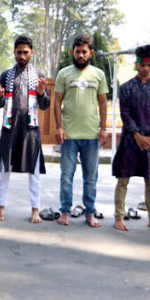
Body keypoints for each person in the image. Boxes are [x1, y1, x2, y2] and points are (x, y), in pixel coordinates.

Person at [0, 35, 49, 223]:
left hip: (31, 130)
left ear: (31, 52)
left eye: (25, 52)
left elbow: (45, 104)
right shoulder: (6, 75)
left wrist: (41, 94)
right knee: (4, 170)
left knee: (34, 172)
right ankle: (1, 208)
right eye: (19, 52)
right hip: (10, 129)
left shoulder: (39, 75)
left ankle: (35, 210)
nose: (22, 56)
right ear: (14, 52)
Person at [54, 34, 109, 227]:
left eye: (84, 52)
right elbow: (57, 101)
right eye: (78, 51)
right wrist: (59, 127)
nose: (81, 55)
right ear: (73, 52)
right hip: (69, 135)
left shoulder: (98, 74)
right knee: (66, 177)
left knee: (90, 178)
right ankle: (65, 212)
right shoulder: (64, 74)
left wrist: (103, 129)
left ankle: (89, 213)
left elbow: (103, 103)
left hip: (91, 136)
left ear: (90, 53)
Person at [112, 45, 150, 232]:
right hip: (130, 140)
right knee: (123, 180)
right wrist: (137, 135)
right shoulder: (126, 88)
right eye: (141, 64)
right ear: (136, 64)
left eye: (148, 65)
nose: (144, 68)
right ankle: (119, 217)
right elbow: (125, 114)